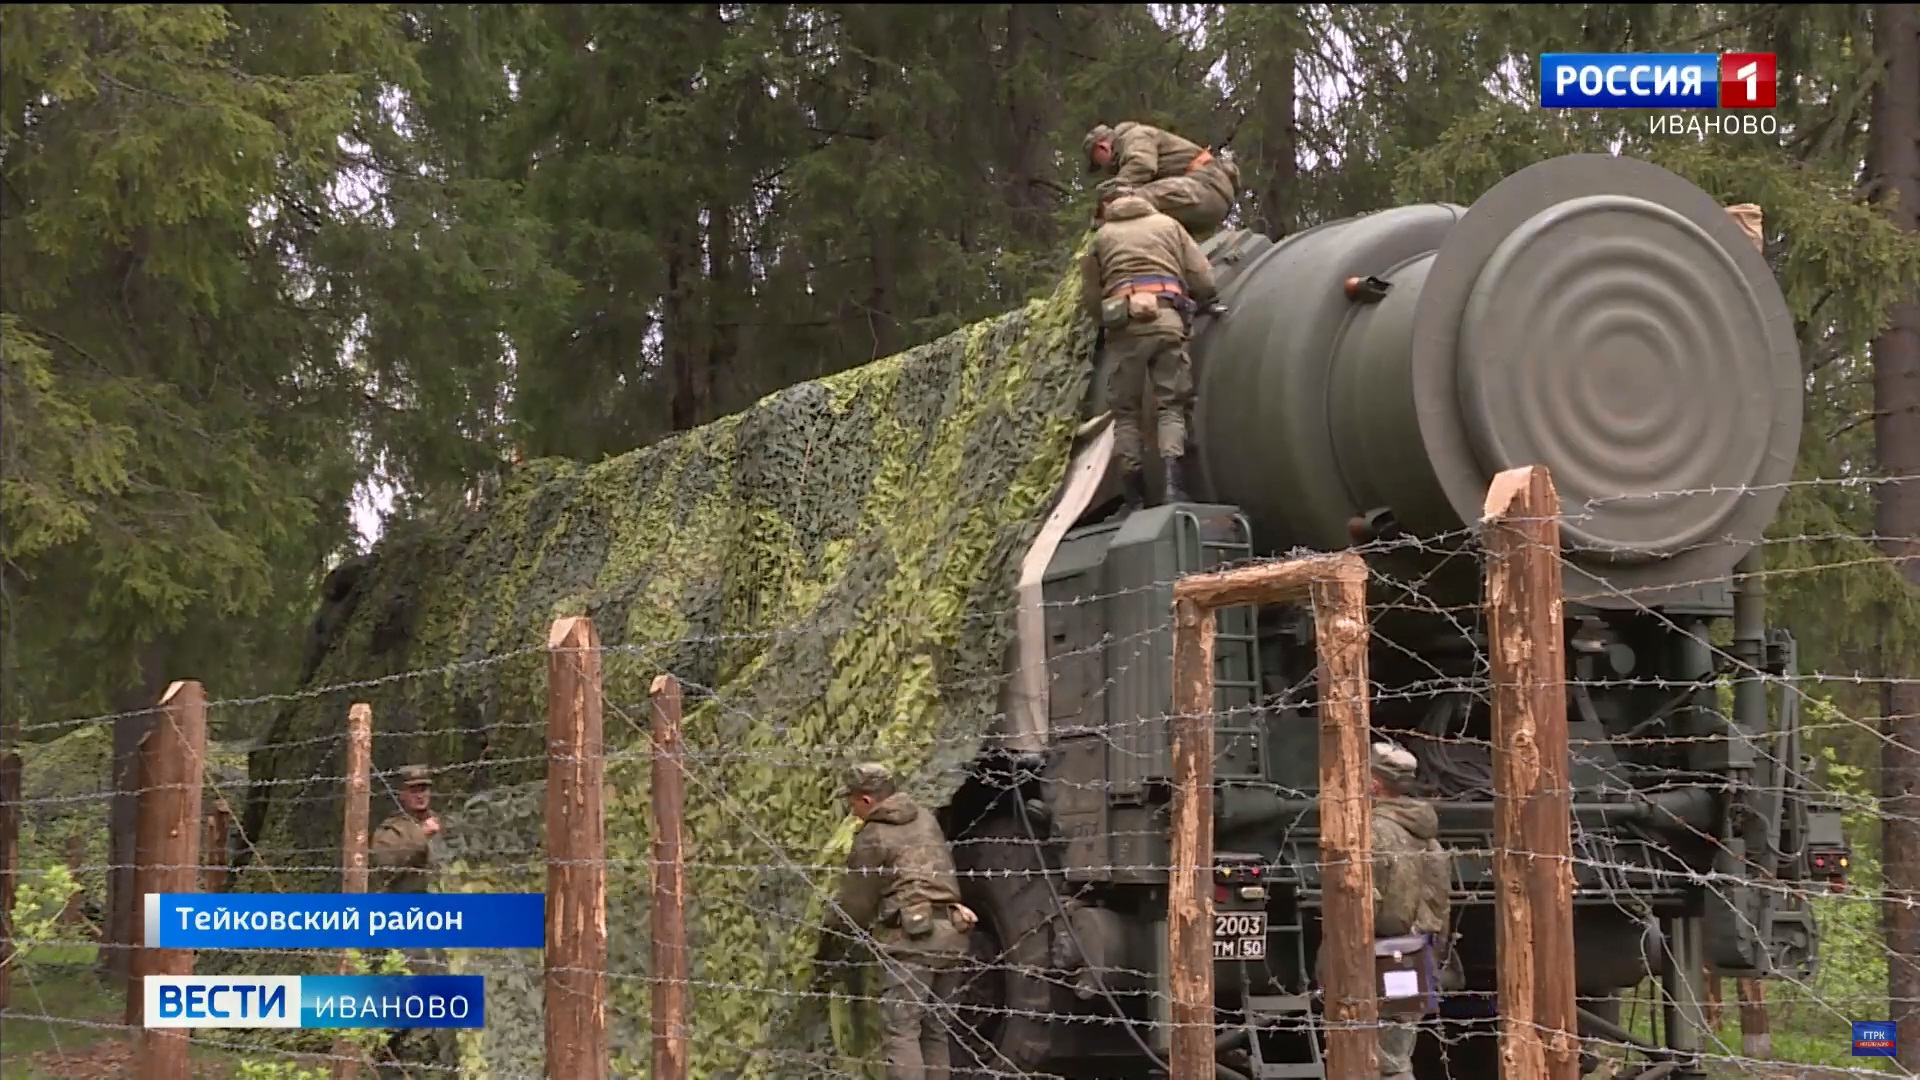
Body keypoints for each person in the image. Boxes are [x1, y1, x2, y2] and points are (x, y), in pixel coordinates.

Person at [814, 763, 978, 1080]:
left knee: (901, 1031)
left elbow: (855, 907)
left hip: (914, 939)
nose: (851, 810)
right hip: (953, 932)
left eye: (851, 802)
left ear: (865, 800)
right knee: (934, 1031)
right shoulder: (927, 819)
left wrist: (829, 942)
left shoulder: (873, 836)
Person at [1079, 184, 1219, 510]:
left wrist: (1106, 319)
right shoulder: (1169, 226)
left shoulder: (1101, 239)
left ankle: (1134, 495)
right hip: (1168, 319)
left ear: (1108, 206)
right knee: (1171, 404)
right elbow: (1203, 278)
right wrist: (1204, 300)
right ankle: (1173, 484)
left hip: (1124, 329)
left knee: (1125, 412)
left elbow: (1090, 297)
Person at [1369, 740, 1454, 1080]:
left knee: (1377, 1059)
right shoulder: (1427, 835)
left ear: (1375, 784)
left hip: (1375, 956)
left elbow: (1370, 905)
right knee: (1397, 1053)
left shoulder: (1373, 832)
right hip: (1415, 955)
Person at [1083, 121, 1241, 239]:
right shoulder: (1130, 145)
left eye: (1098, 161)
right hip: (1202, 196)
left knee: (1126, 202)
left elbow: (1142, 165)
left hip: (1205, 187)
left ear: (1102, 147)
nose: (1102, 167)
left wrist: (1109, 204)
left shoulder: (1134, 136)